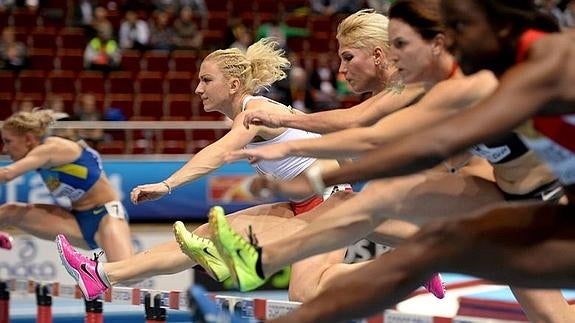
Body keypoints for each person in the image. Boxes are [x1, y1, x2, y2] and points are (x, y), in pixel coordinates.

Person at [212, 1, 574, 321]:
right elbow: (372, 134)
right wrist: (293, 146)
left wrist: (304, 160)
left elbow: (418, 143)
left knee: (550, 314)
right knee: (390, 208)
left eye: (400, 45)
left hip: (548, 203)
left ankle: (262, 259)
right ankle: (259, 260)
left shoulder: (500, 75)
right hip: (508, 197)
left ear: (437, 43)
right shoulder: (428, 87)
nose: (393, 56)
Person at [56, 38, 356, 302]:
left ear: (234, 85)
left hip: (329, 202)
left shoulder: (255, 111)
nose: (198, 89)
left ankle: (392, 277)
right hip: (302, 204)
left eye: (206, 80)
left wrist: (168, 185)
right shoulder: (257, 114)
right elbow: (324, 138)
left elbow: (220, 152)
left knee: (303, 292)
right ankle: (101, 274)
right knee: (203, 239)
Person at [0, 110, 134, 263]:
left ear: (29, 139)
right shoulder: (38, 158)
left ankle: (161, 255)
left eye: (8, 141)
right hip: (76, 221)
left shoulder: (51, 149)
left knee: (127, 274)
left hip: (106, 215)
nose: (5, 149)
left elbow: (7, 174)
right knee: (10, 212)